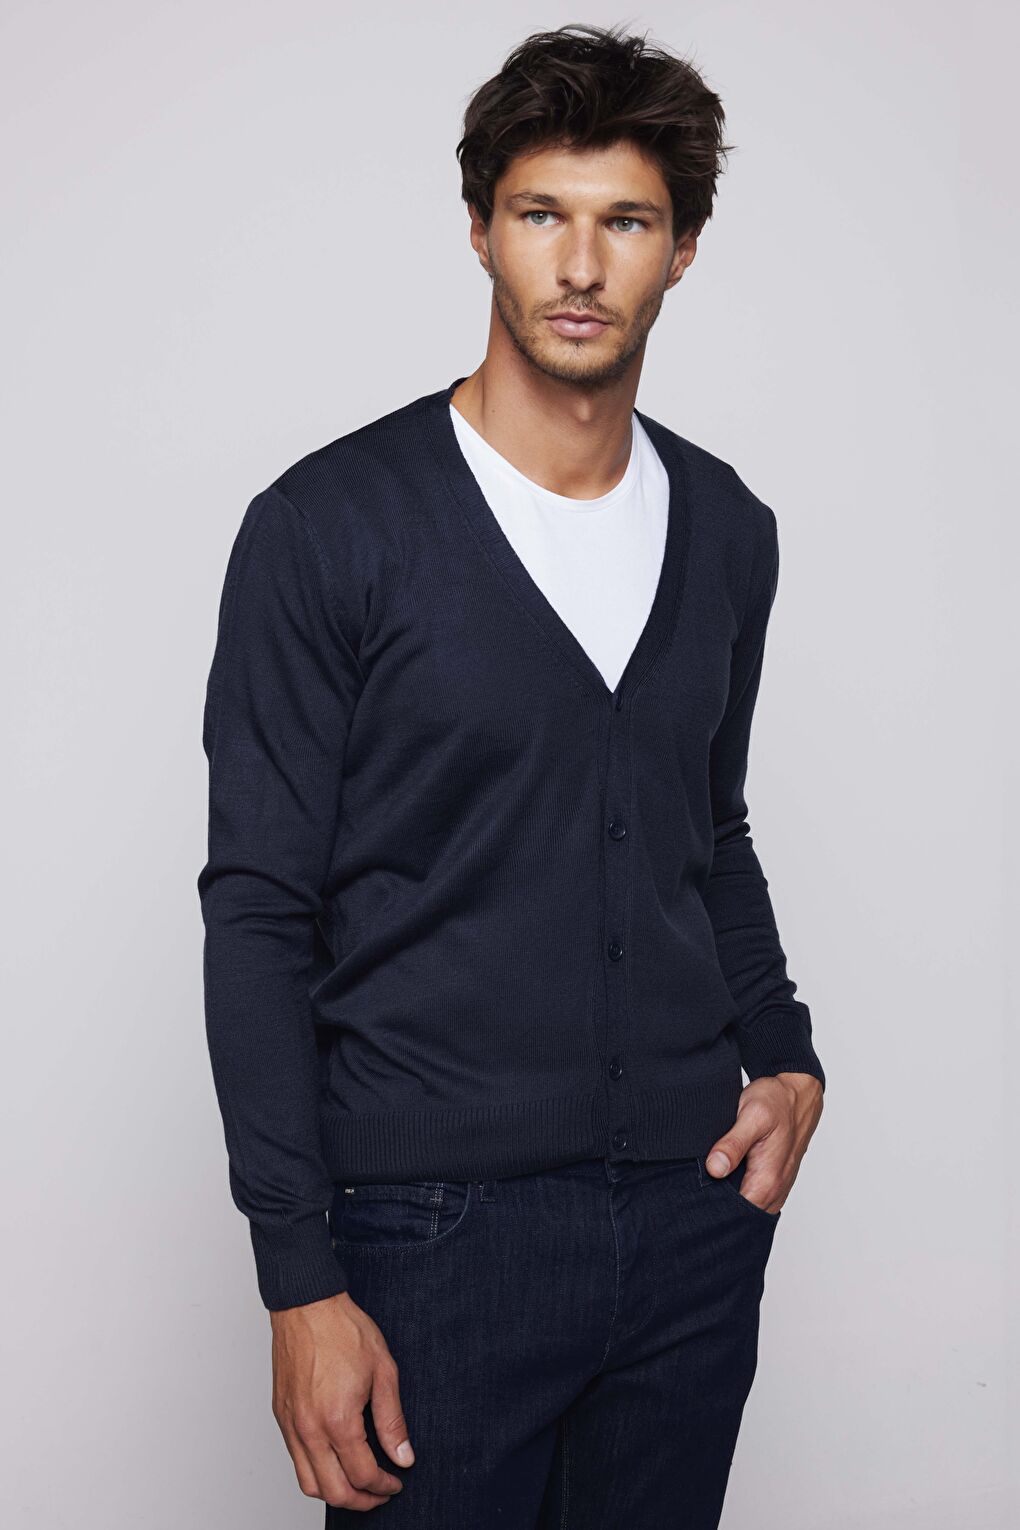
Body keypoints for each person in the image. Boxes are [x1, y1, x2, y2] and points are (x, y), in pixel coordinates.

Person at [197, 22, 826, 1528]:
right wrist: (299, 1279)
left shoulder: (730, 531)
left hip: (687, 1225)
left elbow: (708, 826)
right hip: (429, 1241)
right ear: (482, 230)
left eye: (628, 222)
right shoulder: (330, 527)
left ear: (683, 252)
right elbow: (259, 911)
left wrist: (786, 1051)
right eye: (543, 214)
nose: (581, 265)